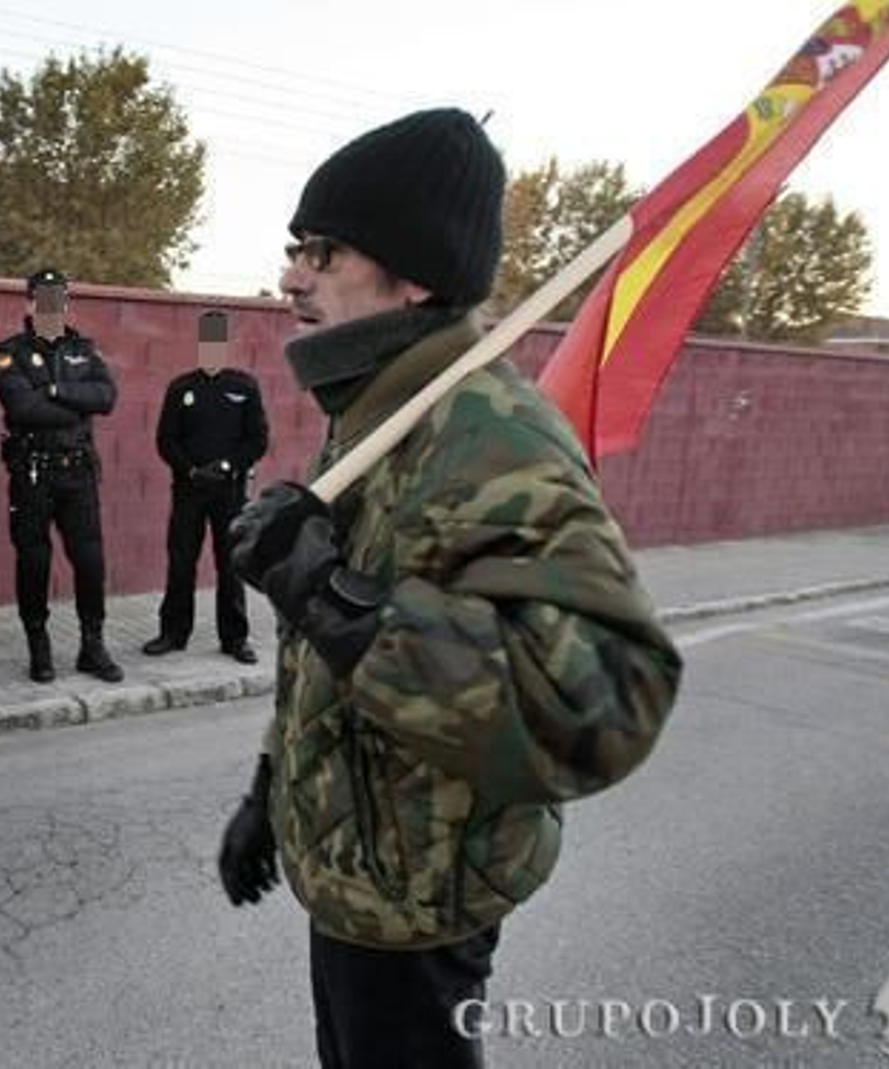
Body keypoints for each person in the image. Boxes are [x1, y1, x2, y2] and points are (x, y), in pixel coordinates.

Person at [215, 108, 683, 1068]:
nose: (292, 275)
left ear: (414, 274)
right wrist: (275, 787)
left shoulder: (487, 434)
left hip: (421, 902)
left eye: (326, 251)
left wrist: (335, 600)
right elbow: (336, 656)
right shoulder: (380, 408)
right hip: (357, 875)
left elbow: (607, 700)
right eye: (297, 248)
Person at [0, 268, 123, 684]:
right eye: (43, 300)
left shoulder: (83, 348)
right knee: (34, 561)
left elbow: (106, 398)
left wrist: (51, 389)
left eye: (59, 301)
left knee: (90, 561)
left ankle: (92, 644)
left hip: (78, 472)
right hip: (34, 474)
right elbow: (21, 409)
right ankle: (39, 645)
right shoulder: (8, 351)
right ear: (29, 304)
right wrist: (75, 401)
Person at [143, 310, 268, 664]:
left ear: (226, 346)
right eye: (206, 344)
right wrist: (192, 471)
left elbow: (257, 440)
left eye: (218, 344)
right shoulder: (181, 388)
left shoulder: (244, 386)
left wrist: (227, 466)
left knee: (230, 565)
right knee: (181, 562)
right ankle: (173, 633)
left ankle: (234, 639)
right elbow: (166, 440)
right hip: (189, 489)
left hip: (229, 491)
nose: (212, 351)